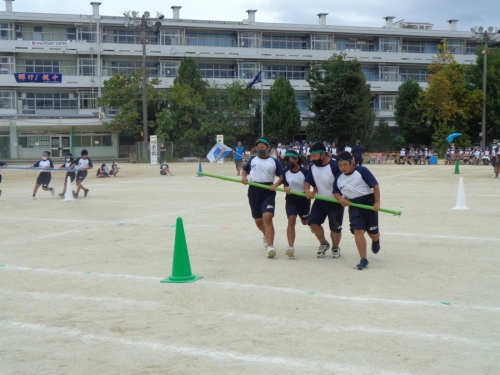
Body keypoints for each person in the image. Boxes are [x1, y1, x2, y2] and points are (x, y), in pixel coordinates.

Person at [333, 151, 381, 270]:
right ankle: (363, 259)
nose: (342, 168)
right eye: (340, 165)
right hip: (354, 205)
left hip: (368, 204)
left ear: (351, 163)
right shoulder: (339, 177)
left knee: (373, 233)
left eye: (345, 164)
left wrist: (377, 202)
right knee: (358, 231)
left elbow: (375, 185)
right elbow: (335, 191)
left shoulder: (362, 171)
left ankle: (376, 240)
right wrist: (341, 200)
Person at [241, 138, 284, 258]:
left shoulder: (274, 161)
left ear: (268, 148)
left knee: (268, 216)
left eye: (262, 148)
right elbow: (245, 171)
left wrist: (275, 185)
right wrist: (244, 178)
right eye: (258, 148)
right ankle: (266, 235)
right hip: (254, 189)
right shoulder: (253, 160)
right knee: (258, 220)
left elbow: (281, 176)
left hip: (268, 190)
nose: (260, 150)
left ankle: (270, 246)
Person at [304, 142, 344, 258]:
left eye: (314, 156)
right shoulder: (313, 167)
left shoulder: (335, 166)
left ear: (323, 154)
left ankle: (335, 247)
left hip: (335, 202)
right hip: (320, 200)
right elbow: (308, 181)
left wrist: (343, 198)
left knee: (335, 227)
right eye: (311, 156)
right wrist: (307, 190)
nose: (312, 159)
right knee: (313, 223)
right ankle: (324, 243)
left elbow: (344, 182)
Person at [282, 150, 310, 258]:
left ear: (296, 159)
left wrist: (311, 192)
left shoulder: (305, 172)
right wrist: (286, 188)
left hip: (303, 199)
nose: (287, 162)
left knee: (305, 222)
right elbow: (285, 184)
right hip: (291, 199)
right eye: (286, 160)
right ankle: (290, 247)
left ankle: (310, 222)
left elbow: (311, 185)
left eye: (289, 160)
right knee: (291, 219)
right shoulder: (285, 172)